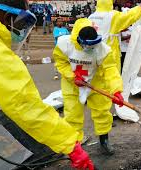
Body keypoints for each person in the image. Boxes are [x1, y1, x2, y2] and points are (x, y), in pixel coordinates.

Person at [0, 1, 93, 169]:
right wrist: (69, 144)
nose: (20, 31)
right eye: (21, 23)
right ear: (6, 17)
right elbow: (26, 106)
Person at [53, 18, 124, 155]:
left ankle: (104, 141)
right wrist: (72, 76)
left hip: (95, 82)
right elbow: (61, 62)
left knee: (102, 112)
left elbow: (110, 70)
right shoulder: (64, 44)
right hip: (72, 85)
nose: (90, 49)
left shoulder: (103, 49)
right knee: (72, 115)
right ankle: (74, 147)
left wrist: (116, 90)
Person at [88, 0, 141, 72]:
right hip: (109, 51)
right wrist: (139, 9)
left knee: (96, 74)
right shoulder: (113, 15)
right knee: (112, 75)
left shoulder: (91, 17)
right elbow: (129, 16)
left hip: (93, 51)